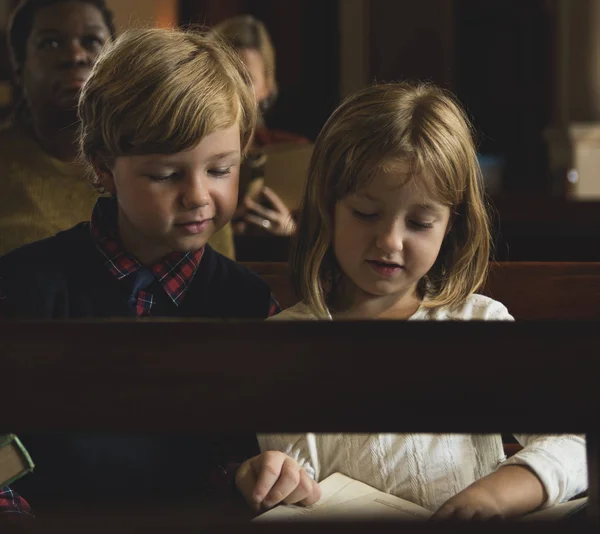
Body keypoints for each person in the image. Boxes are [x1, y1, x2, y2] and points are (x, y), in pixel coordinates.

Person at [234, 83, 588, 519]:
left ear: (450, 225)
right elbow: (295, 489)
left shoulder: (478, 327)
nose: (389, 241)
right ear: (329, 207)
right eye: (366, 213)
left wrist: (495, 496)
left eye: (420, 222)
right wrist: (276, 476)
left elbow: (575, 441)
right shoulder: (286, 342)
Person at [1, 26, 277, 500]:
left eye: (220, 170)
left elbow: (247, 449)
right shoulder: (24, 287)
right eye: (166, 174)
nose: (197, 195)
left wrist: (253, 475)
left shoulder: (249, 304)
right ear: (105, 167)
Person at [0, 0, 234, 259]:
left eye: (91, 41)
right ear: (19, 66)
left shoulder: (183, 164)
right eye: (51, 43)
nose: (76, 56)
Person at [211, 14, 308, 237]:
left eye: (247, 80)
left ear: (267, 86)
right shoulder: (183, 155)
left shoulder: (294, 154)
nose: (235, 90)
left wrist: (290, 232)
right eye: (226, 76)